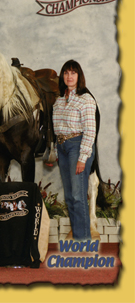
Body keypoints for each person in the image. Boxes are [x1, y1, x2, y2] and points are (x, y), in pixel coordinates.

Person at [52, 60, 97, 241]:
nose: (69, 76)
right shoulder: (59, 101)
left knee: (78, 195)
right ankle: (78, 237)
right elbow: (56, 129)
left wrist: (82, 157)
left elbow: (90, 130)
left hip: (78, 146)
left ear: (79, 76)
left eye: (73, 73)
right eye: (66, 73)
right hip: (62, 147)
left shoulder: (86, 99)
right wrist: (56, 152)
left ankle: (84, 239)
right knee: (70, 196)